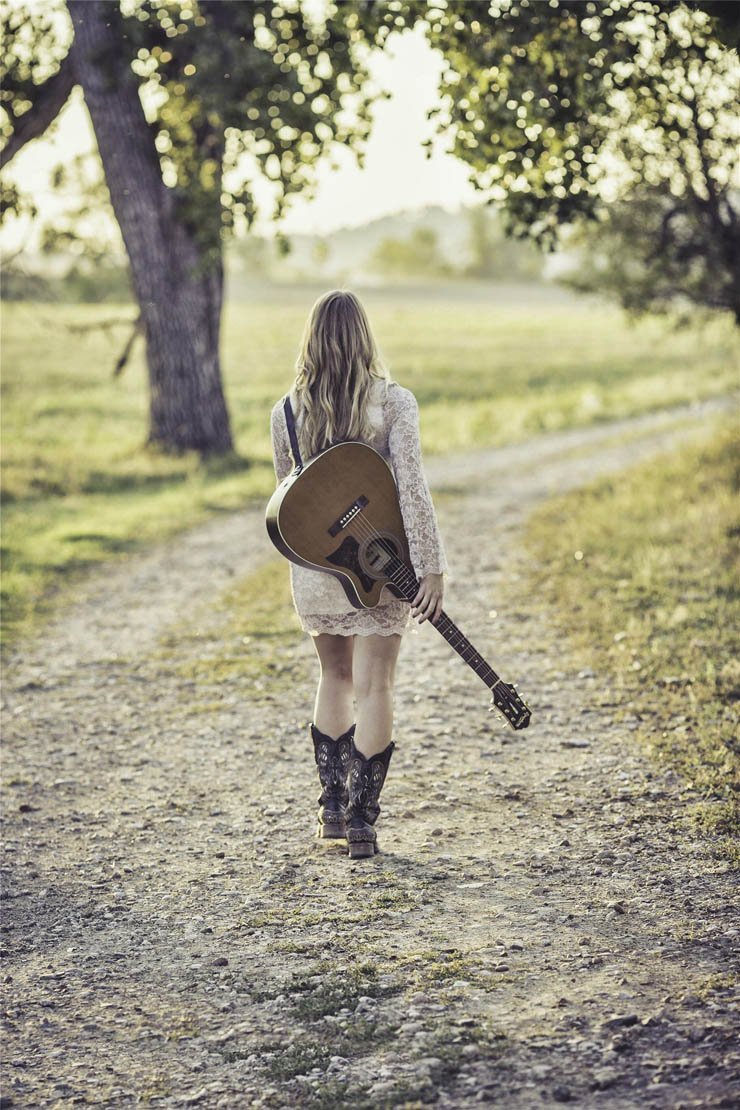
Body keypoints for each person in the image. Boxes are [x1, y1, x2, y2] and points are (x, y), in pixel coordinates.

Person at [270, 289, 448, 859]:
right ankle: (363, 821)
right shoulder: (394, 402)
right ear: (364, 337)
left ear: (312, 341)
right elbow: (411, 490)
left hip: (319, 567)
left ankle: (331, 815)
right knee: (376, 685)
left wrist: (311, 570)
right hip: (382, 563)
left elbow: (290, 503)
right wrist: (430, 567)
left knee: (336, 679)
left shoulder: (287, 412)